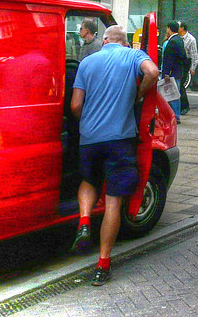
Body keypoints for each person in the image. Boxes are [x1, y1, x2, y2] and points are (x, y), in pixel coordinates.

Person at [69, 25, 159, 285]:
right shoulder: (133, 55)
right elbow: (152, 72)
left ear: (105, 40)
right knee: (113, 203)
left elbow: (75, 105)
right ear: (125, 42)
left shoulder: (87, 62)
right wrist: (139, 94)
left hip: (90, 138)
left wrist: (86, 122)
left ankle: (84, 222)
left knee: (89, 180)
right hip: (120, 139)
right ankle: (103, 264)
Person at [160, 21, 187, 123]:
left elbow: (168, 60)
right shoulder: (179, 40)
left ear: (169, 28)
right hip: (178, 71)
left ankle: (175, 116)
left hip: (172, 73)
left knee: (172, 95)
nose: (166, 30)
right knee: (175, 94)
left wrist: (166, 73)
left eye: (167, 28)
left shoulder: (172, 42)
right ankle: (175, 115)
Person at [177, 21, 198, 116]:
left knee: (181, 84)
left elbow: (194, 54)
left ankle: (185, 106)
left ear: (182, 28)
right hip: (177, 62)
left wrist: (193, 67)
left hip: (185, 62)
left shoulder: (191, 39)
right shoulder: (177, 37)